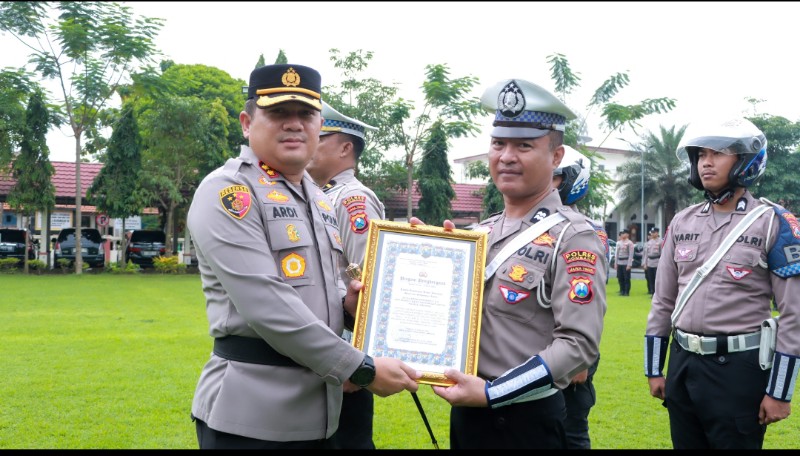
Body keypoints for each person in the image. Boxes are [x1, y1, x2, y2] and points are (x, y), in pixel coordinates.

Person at [186, 63, 420, 449]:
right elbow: (267, 303)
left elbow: (320, 292)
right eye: (278, 112)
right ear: (247, 122)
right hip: (252, 418)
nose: (294, 123)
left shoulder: (318, 198)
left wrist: (350, 305)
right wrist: (361, 368)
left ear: (318, 124)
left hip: (321, 415)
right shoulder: (230, 191)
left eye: (307, 114)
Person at [430, 78, 607, 449]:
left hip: (526, 421)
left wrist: (495, 392)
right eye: (498, 143)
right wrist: (422, 255)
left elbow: (578, 346)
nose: (506, 156)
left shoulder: (573, 236)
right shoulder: (481, 232)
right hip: (469, 413)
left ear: (556, 157)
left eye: (524, 145)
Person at [644, 117, 800, 449]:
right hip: (683, 364)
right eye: (701, 154)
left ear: (746, 161)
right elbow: (663, 300)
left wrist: (780, 391)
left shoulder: (773, 224)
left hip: (738, 372)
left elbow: (794, 315)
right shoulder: (683, 221)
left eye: (719, 153)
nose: (706, 162)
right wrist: (654, 367)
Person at [306, 101, 383, 450]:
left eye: (320, 137)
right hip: (321, 354)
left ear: (345, 148)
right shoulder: (318, 195)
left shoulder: (353, 200)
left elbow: (366, 283)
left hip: (345, 363)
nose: (309, 142)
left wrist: (357, 362)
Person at [552, 144, 605, 450]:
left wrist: (578, 361)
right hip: (527, 356)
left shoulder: (584, 233)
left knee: (570, 434)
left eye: (555, 176)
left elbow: (584, 300)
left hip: (569, 359)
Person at [614, 229, 634, 296]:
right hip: (619, 262)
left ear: (627, 234)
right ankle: (622, 290)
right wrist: (615, 263)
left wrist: (629, 264)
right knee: (620, 277)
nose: (622, 234)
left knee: (626, 278)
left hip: (626, 262)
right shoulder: (618, 243)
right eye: (622, 233)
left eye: (624, 233)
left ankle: (626, 292)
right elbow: (616, 254)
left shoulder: (630, 243)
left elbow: (631, 254)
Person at [643, 227, 661, 295]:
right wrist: (645, 263)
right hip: (650, 262)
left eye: (654, 232)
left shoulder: (660, 242)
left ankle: (657, 293)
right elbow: (646, 254)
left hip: (657, 262)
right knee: (651, 279)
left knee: (657, 279)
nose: (652, 234)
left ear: (657, 233)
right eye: (652, 233)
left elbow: (662, 254)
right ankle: (652, 292)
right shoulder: (649, 242)